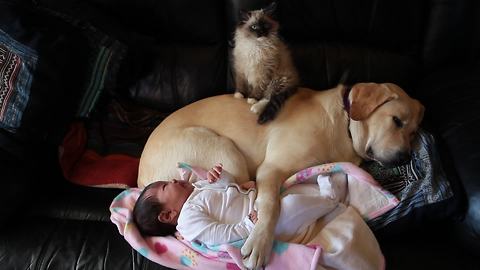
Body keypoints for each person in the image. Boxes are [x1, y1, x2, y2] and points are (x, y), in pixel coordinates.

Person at [133, 163, 340, 245]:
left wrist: (220, 177)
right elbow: (218, 235)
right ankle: (330, 199)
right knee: (293, 206)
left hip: (261, 202)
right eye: (165, 186)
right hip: (262, 225)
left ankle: (317, 188)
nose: (173, 180)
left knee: (290, 186)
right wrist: (249, 226)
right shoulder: (188, 220)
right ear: (168, 215)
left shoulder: (198, 188)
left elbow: (231, 188)